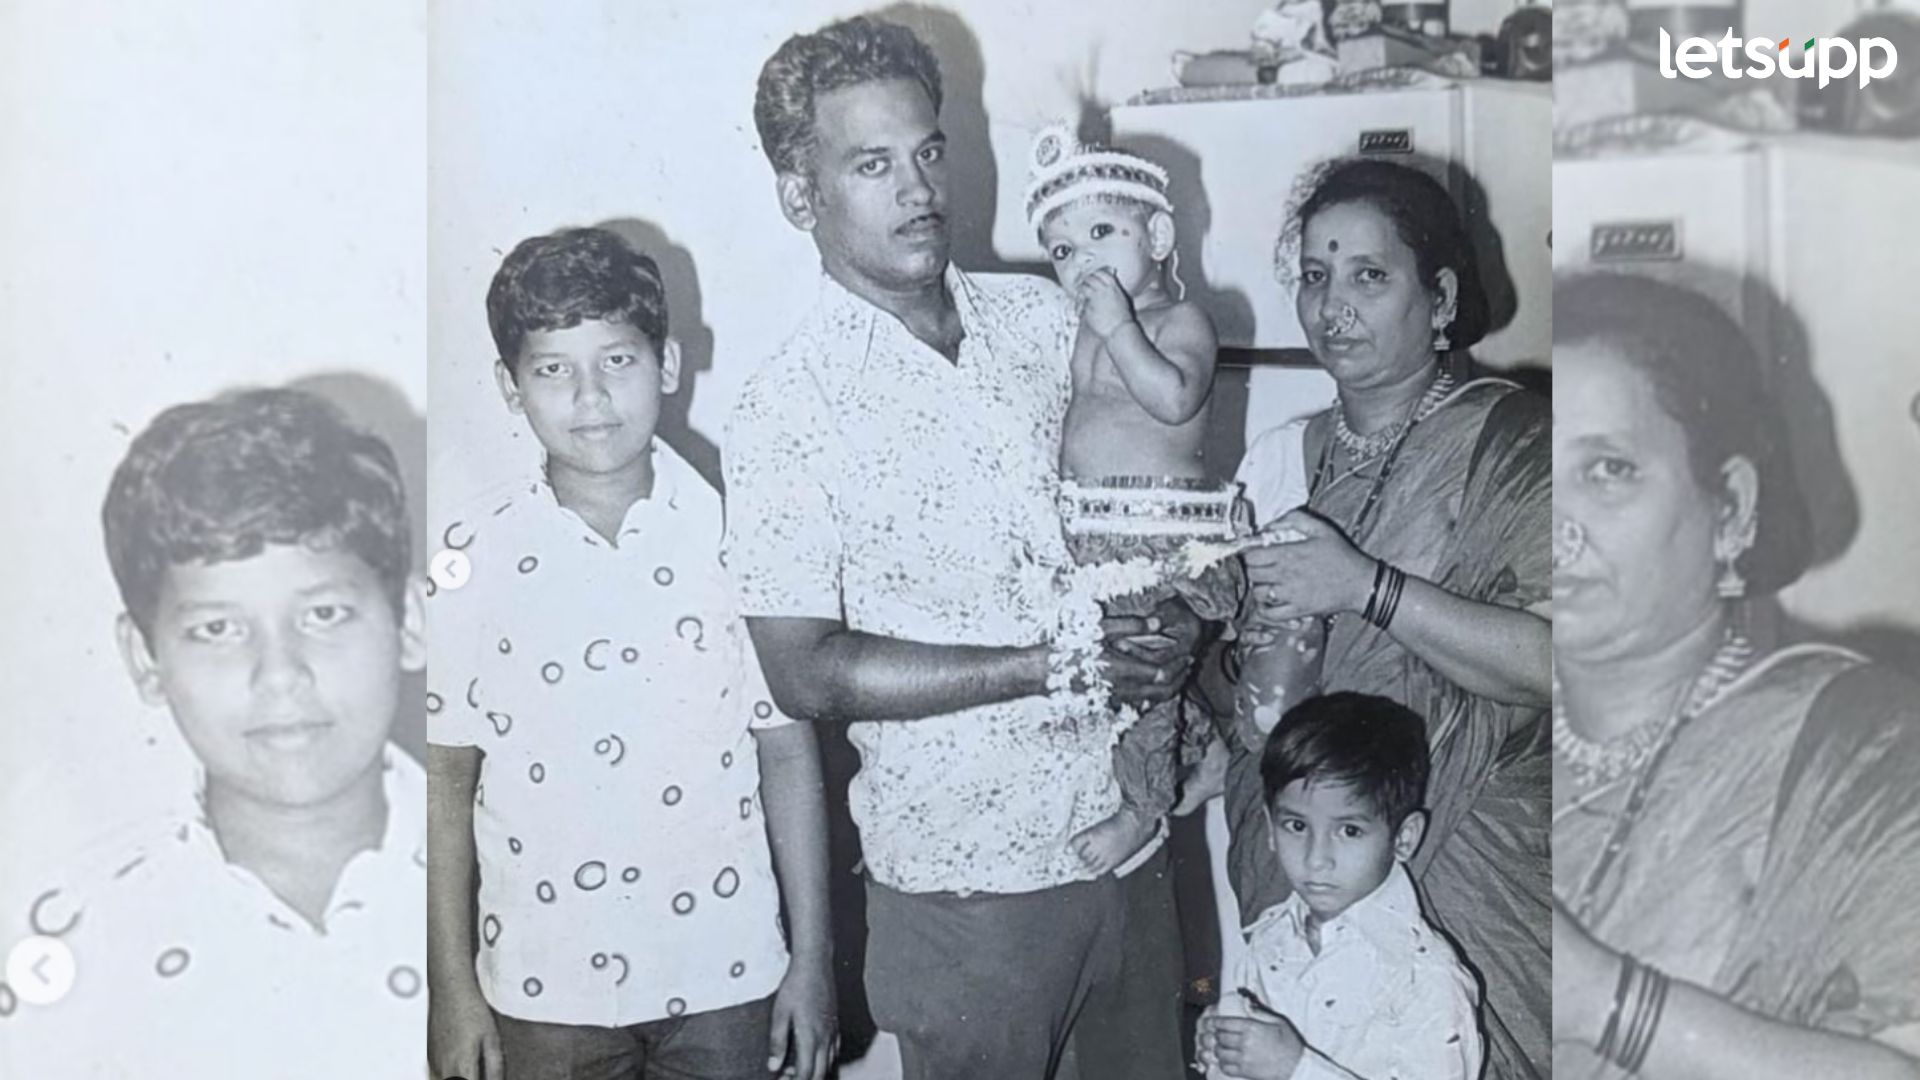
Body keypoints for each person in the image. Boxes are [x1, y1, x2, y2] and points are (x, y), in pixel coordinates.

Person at [727, 16, 1201, 1080]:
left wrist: (1170, 621)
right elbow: (803, 671)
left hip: (1129, 847)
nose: (919, 188)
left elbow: (1147, 501)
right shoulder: (786, 410)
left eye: (929, 150)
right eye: (873, 164)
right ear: (801, 196)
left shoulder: (1049, 319)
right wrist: (1048, 665)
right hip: (968, 896)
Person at [425, 228, 835, 1080]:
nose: (591, 397)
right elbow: (446, 779)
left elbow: (788, 754)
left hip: (725, 975)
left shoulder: (742, 538)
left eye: (617, 360)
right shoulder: (472, 556)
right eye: (553, 370)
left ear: (668, 364)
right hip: (543, 990)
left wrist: (814, 961)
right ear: (509, 387)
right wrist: (451, 988)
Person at [1198, 157, 1553, 1080]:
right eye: (1316, 275)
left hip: (1466, 864)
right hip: (1300, 866)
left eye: (1369, 275)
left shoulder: (1518, 443)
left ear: (1440, 299)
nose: (1333, 306)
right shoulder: (1278, 458)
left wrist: (1366, 587)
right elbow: (1237, 688)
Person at [1550, 272, 1920, 1079]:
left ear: (1733, 509)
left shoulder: (1870, 754)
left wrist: (1600, 1003)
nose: (1555, 525)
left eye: (1607, 470)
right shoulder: (1471, 726)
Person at [0, 388, 427, 1078]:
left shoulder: (531, 895)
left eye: (323, 614)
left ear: (409, 620)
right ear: (145, 659)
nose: (280, 674)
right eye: (218, 629)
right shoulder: (71, 953)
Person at [1198, 692, 1482, 1080]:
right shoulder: (1271, 937)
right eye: (1297, 826)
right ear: (1270, 829)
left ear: (1404, 837)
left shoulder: (1425, 979)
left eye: (1349, 831)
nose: (1317, 858)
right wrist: (1224, 1053)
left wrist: (1295, 1069)